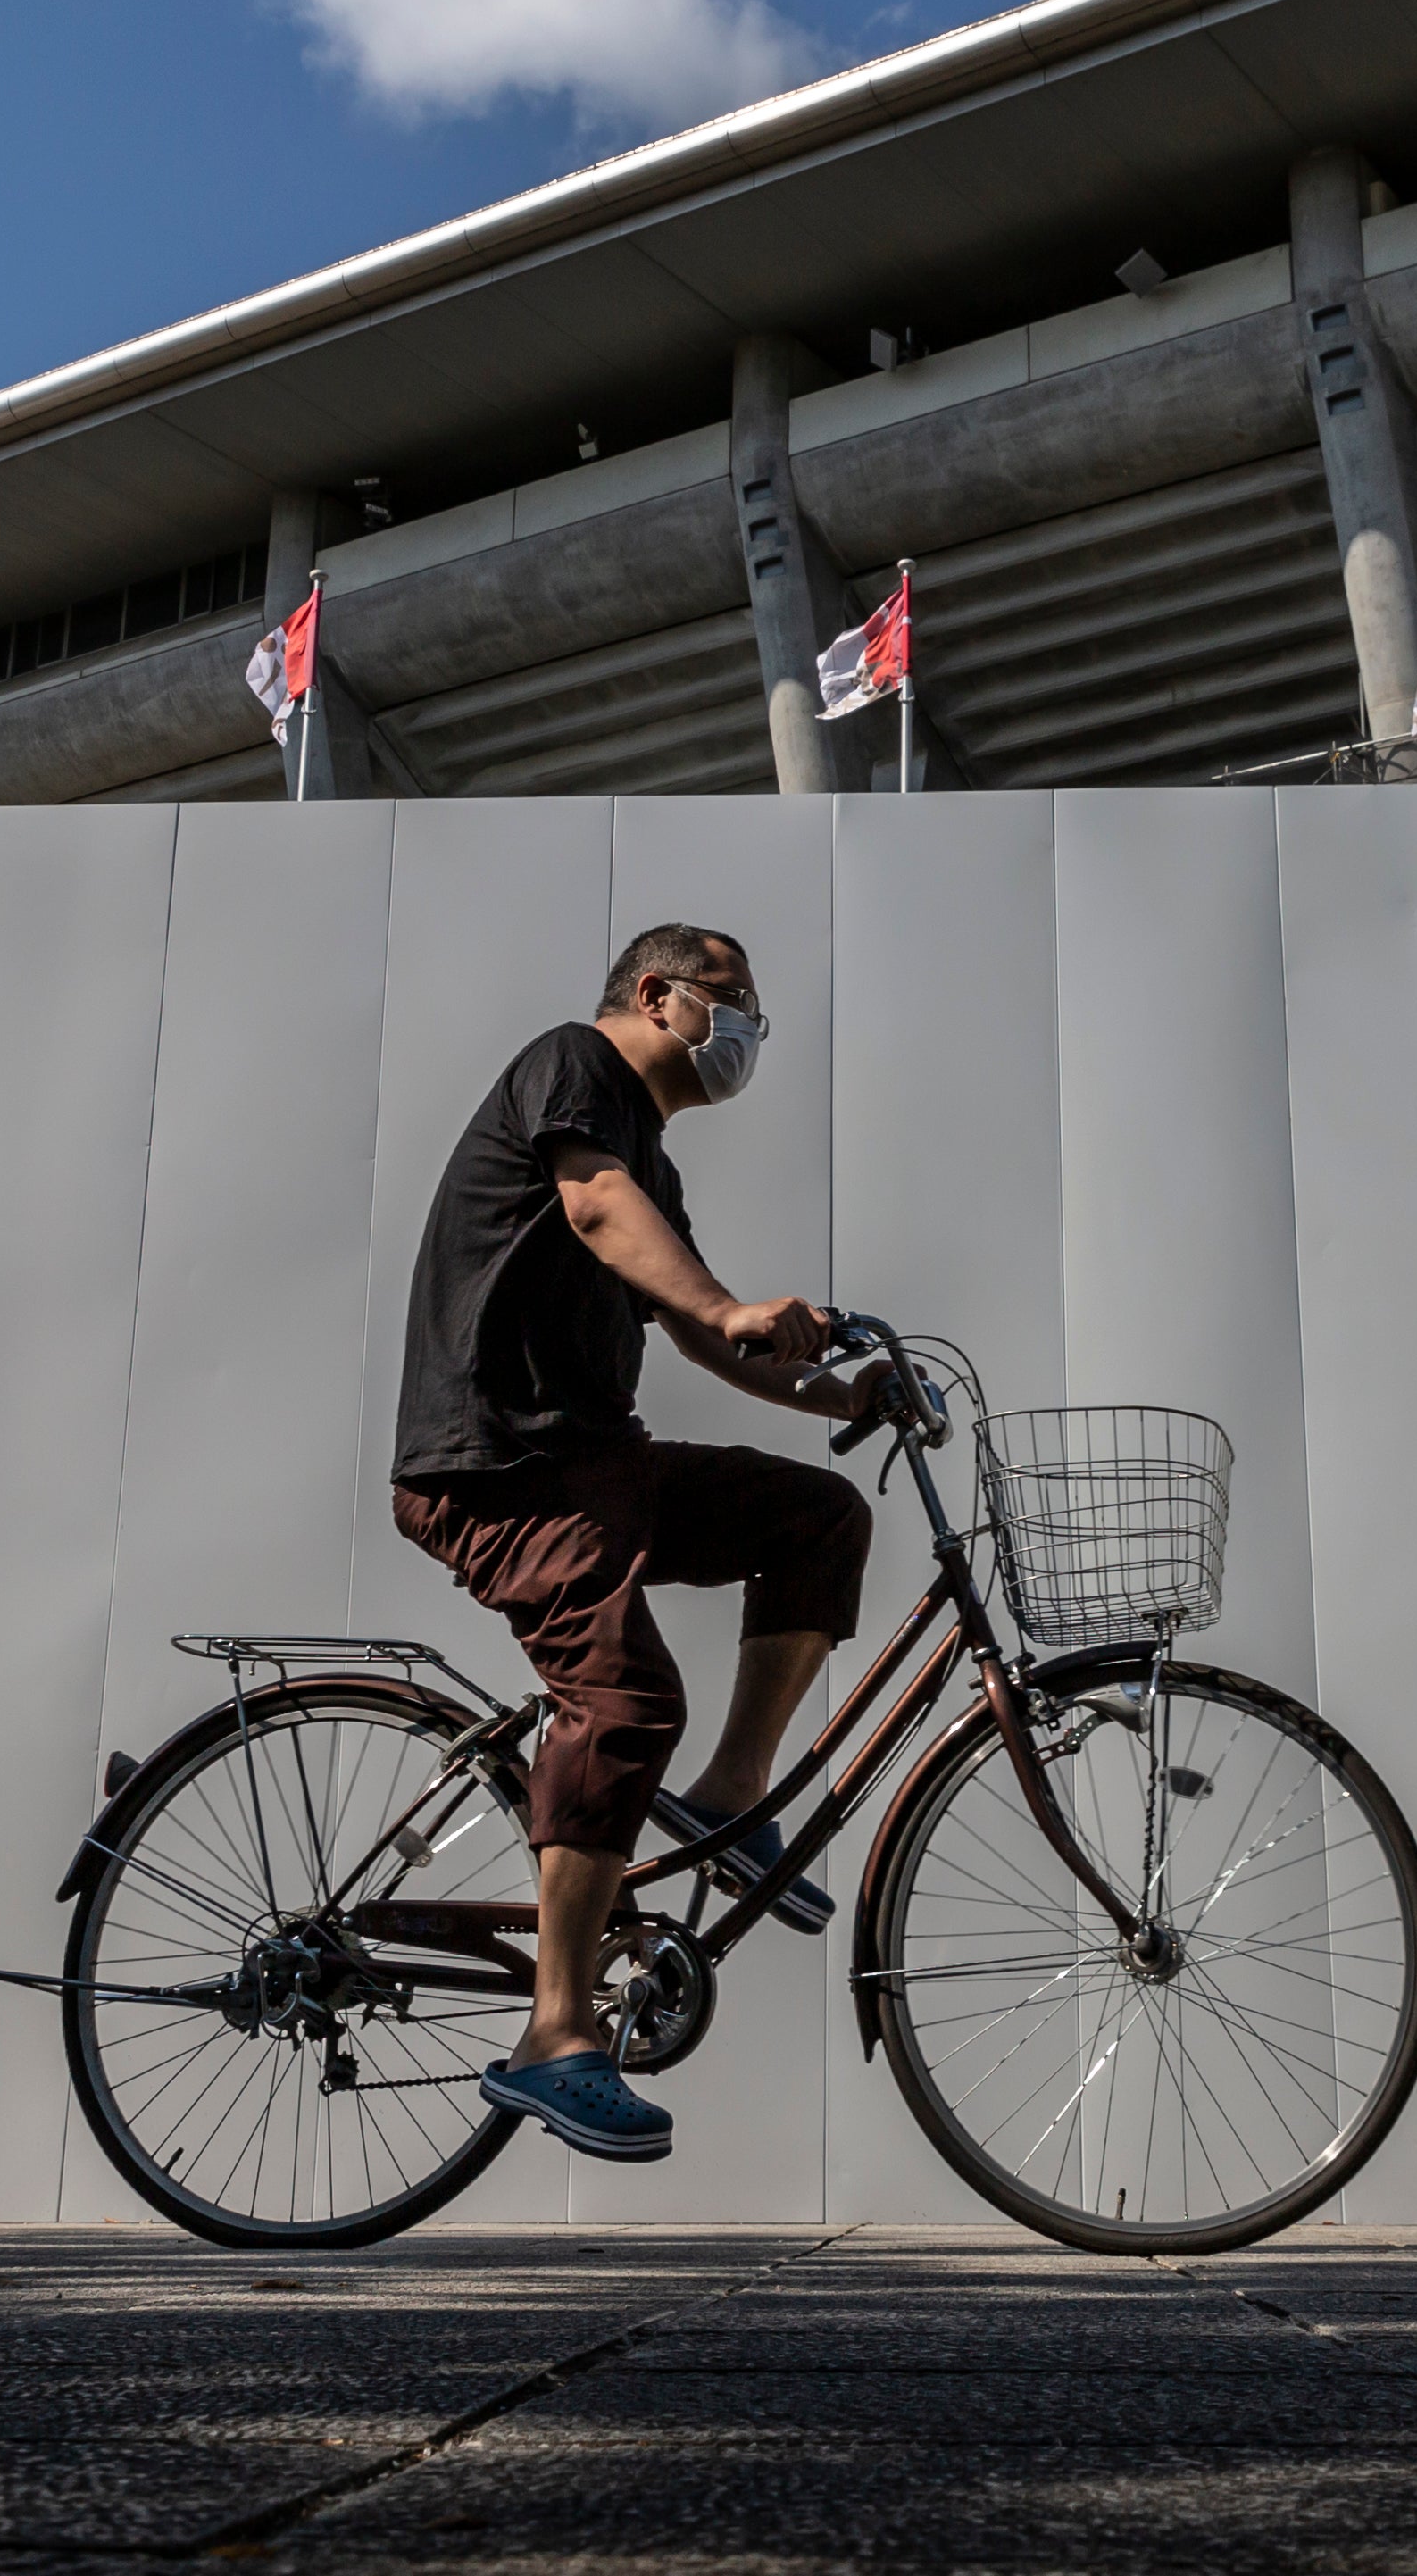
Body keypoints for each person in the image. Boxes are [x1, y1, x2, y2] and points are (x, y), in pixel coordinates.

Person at [391, 921, 882, 2161]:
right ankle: (555, 2033)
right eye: (736, 1003)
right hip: (497, 1460)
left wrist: (846, 1396)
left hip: (592, 1461)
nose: (748, 1034)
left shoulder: (652, 1160)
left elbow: (701, 1330)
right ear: (659, 997)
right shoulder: (573, 1069)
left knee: (818, 1516)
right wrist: (725, 1300)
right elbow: (594, 1207)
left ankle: (727, 1791)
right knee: (620, 1694)